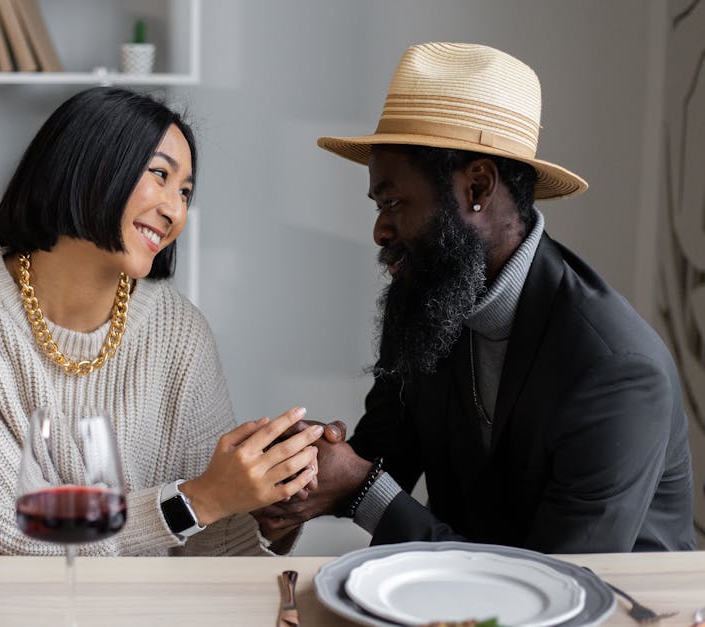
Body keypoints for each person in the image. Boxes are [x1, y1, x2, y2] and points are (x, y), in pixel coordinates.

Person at [253, 42, 696, 553]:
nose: (379, 230)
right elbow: (379, 456)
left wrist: (359, 488)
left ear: (477, 186)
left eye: (394, 202)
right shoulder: (430, 301)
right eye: (378, 205)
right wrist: (304, 473)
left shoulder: (615, 367)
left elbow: (561, 582)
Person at [0, 87, 322, 556]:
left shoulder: (180, 332)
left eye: (185, 192)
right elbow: (17, 530)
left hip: (124, 600)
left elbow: (211, 542)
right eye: (159, 174)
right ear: (86, 166)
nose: (176, 211)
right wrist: (202, 499)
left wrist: (269, 507)